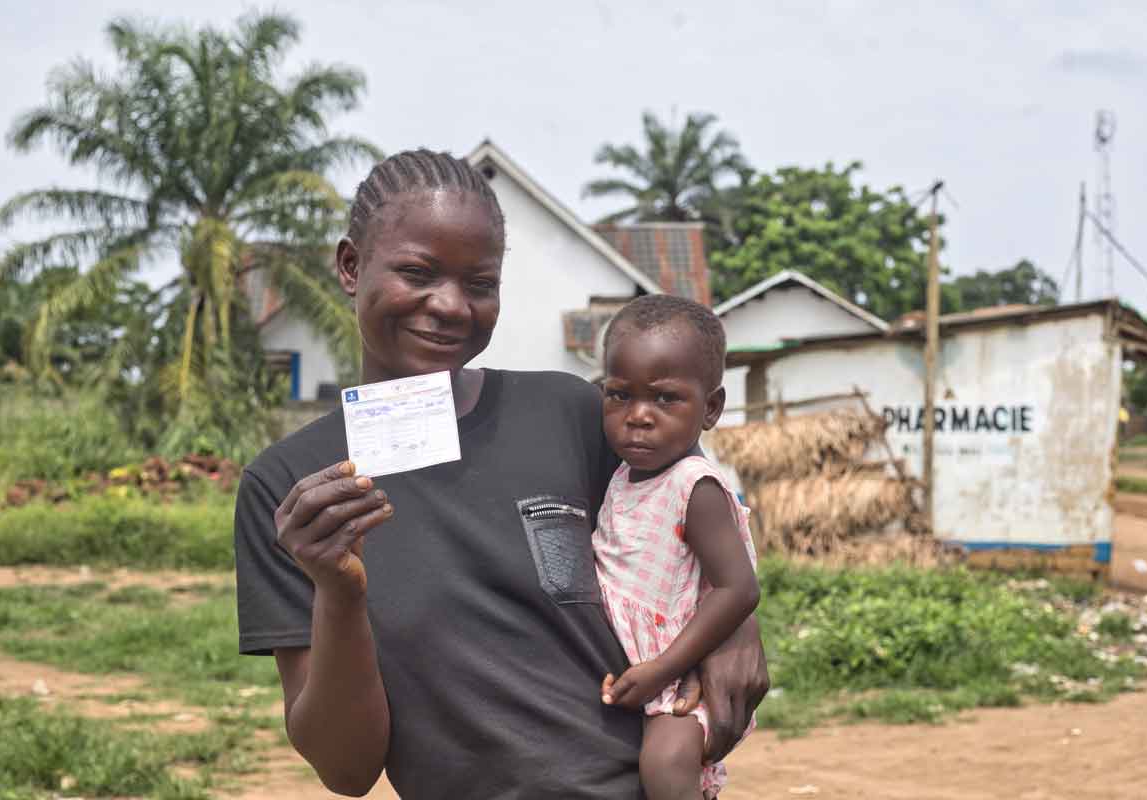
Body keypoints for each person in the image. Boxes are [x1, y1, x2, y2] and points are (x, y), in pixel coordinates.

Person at [234, 149, 769, 799]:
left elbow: (697, 510)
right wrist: (340, 592)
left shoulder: (569, 412)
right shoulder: (292, 490)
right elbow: (348, 771)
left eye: (480, 283)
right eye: (417, 272)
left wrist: (741, 627)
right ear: (350, 267)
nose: (451, 305)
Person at [592, 295, 759, 800]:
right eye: (619, 396)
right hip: (635, 669)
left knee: (664, 767)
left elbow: (738, 589)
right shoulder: (623, 475)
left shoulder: (695, 487)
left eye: (665, 399)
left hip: (679, 677)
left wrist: (662, 670)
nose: (638, 416)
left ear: (711, 408)